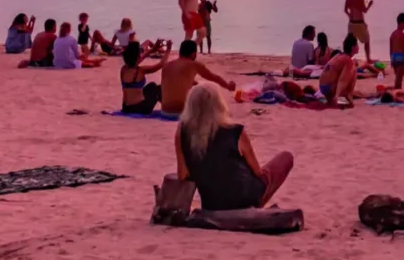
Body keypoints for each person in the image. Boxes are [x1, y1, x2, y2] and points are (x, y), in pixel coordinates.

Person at [175, 83, 294, 211]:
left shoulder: (182, 133)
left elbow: (183, 175)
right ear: (218, 104)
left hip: (211, 204)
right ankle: (255, 205)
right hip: (245, 197)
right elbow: (257, 172)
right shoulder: (235, 131)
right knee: (285, 158)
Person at [161, 39, 237, 117]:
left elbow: (177, 82)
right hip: (182, 112)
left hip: (165, 111)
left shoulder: (167, 65)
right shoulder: (193, 64)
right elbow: (214, 78)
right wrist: (228, 86)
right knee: (208, 95)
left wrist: (195, 83)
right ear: (193, 54)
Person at [121, 40, 170, 114]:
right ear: (138, 57)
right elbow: (161, 64)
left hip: (126, 108)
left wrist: (153, 49)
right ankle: (169, 109)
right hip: (141, 108)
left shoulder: (123, 69)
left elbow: (135, 60)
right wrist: (168, 49)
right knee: (156, 88)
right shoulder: (141, 70)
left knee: (150, 86)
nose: (141, 55)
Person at [319, 34, 359, 107]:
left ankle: (331, 99)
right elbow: (343, 80)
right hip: (330, 88)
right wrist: (337, 95)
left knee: (350, 69)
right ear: (353, 47)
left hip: (322, 87)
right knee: (354, 70)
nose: (358, 47)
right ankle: (348, 96)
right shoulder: (347, 59)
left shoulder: (338, 55)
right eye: (357, 45)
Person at [344, 0, 374, 64]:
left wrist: (349, 15)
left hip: (351, 22)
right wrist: (369, 4)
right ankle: (368, 59)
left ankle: (347, 57)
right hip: (360, 23)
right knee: (367, 40)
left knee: (350, 41)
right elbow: (364, 10)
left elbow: (345, 9)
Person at [390, 13, 404, 89]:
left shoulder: (393, 34)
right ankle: (397, 91)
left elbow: (391, 48)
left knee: (397, 77)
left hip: (394, 57)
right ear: (402, 23)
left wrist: (391, 59)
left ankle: (397, 90)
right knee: (399, 80)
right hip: (401, 58)